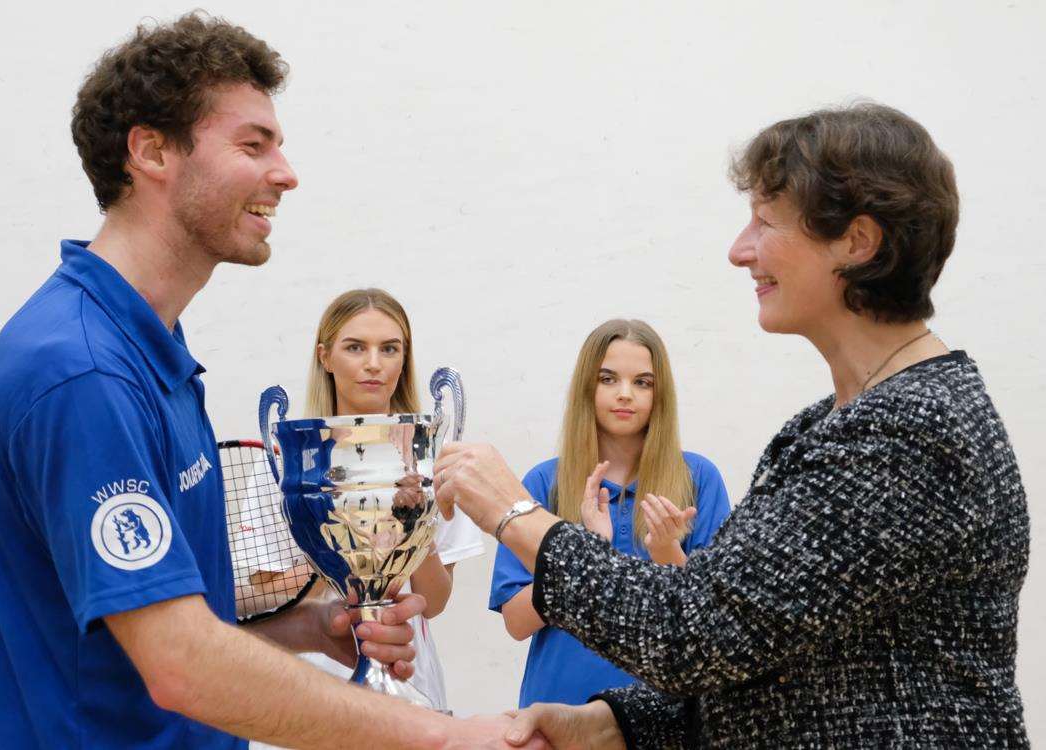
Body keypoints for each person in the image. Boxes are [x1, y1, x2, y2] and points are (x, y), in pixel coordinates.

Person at [0, 13, 542, 750]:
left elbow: (155, 645)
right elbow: (178, 666)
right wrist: (440, 736)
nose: (285, 173)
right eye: (252, 145)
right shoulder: (82, 372)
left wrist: (304, 629)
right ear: (150, 151)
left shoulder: (150, 349)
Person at [433, 103, 1030, 747]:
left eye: (765, 223)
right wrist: (614, 726)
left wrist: (513, 511)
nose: (738, 251)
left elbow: (692, 632)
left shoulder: (911, 434)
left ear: (857, 243)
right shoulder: (834, 425)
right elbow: (768, 663)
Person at [244, 288, 484, 717]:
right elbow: (268, 596)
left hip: (407, 677)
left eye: (389, 349)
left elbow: (437, 599)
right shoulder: (288, 460)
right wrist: (343, 544)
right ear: (325, 356)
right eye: (355, 347)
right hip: (309, 687)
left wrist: (413, 525)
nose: (374, 363)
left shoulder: (432, 457)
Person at [489, 318, 730, 708]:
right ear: (587, 386)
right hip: (559, 707)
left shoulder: (698, 478)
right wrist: (585, 552)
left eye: (642, 382)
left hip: (667, 717)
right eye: (607, 379)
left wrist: (668, 552)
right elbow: (516, 622)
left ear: (660, 393)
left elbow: (716, 622)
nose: (625, 394)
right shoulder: (543, 482)